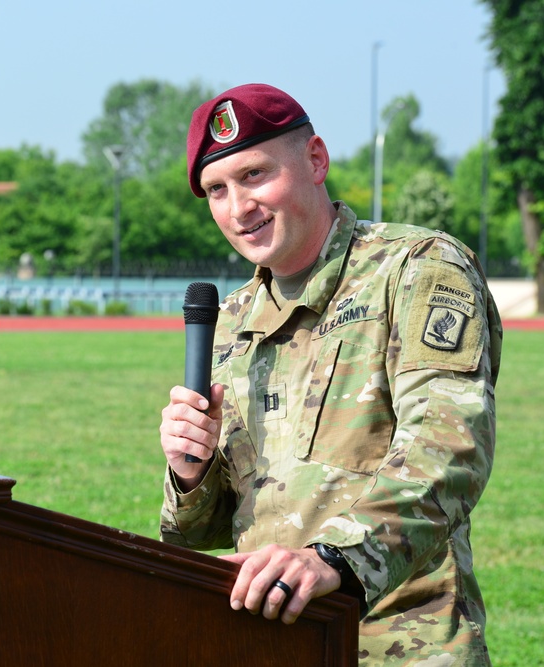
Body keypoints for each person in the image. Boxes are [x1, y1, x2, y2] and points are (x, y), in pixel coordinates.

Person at [158, 83, 503, 665]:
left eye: (256, 175)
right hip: (267, 643)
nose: (238, 207)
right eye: (217, 190)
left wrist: (334, 559)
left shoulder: (416, 269)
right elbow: (213, 531)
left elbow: (449, 448)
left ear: (315, 160)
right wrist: (190, 476)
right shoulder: (234, 317)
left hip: (398, 646)